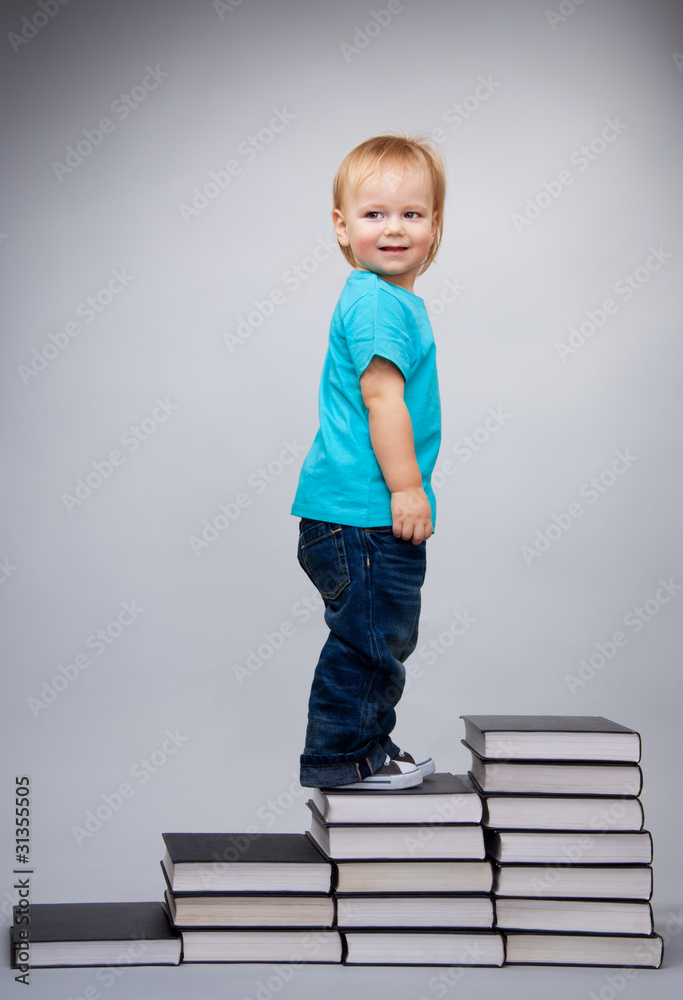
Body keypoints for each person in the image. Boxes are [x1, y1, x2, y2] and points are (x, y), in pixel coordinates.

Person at [291, 134, 446, 790]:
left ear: (435, 226)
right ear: (341, 226)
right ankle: (344, 757)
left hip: (351, 517)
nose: (393, 228)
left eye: (411, 213)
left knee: (380, 635)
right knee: (370, 639)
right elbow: (382, 399)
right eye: (374, 214)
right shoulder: (379, 303)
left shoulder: (383, 299)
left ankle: (368, 746)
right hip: (363, 515)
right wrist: (407, 488)